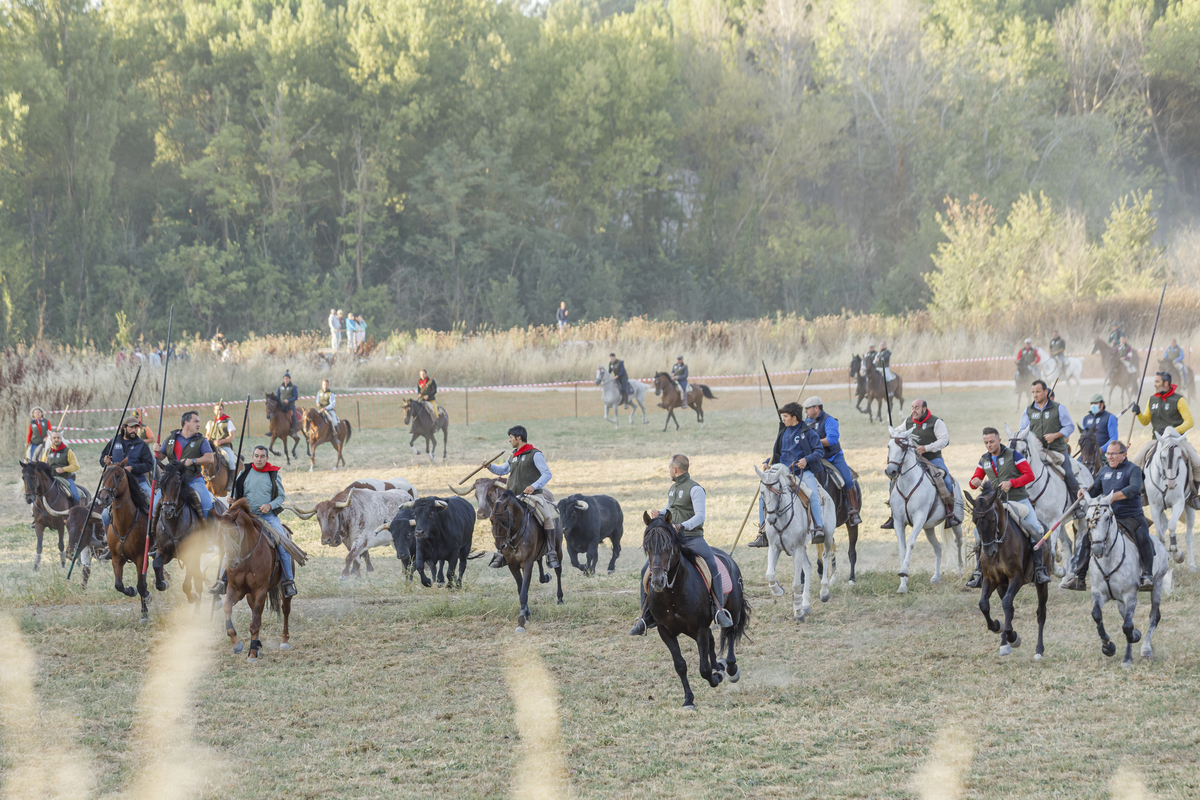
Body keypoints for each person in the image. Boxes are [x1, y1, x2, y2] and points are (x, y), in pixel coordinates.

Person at [630, 454, 732, 635]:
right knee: (645, 570)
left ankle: (719, 610)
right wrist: (659, 514)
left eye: (669, 468)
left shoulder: (696, 489)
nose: (669, 471)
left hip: (692, 538)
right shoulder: (673, 488)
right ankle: (645, 616)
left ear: (675, 469)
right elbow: (670, 509)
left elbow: (700, 515)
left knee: (712, 564)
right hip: (673, 540)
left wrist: (682, 526)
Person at [1063, 441, 1155, 591]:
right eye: (1108, 454)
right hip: (1107, 517)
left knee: (1144, 537)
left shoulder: (1134, 470)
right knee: (1087, 538)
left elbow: (1134, 488)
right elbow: (1095, 490)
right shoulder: (1104, 471)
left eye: (1113, 454)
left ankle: (1147, 575)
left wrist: (1113, 497)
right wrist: (1085, 491)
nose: (1109, 457)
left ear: (1123, 455)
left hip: (1131, 516)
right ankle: (1079, 578)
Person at [966, 427, 1049, 587]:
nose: (989, 445)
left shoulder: (1014, 455)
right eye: (986, 442)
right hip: (996, 503)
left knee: (1035, 529)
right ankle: (979, 571)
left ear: (999, 440)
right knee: (978, 533)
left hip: (1019, 500)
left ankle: (1039, 568)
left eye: (991, 441)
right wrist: (974, 482)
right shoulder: (984, 459)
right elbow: (975, 479)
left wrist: (1012, 483)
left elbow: (1029, 475)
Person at [212, 445, 297, 598]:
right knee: (229, 541)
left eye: (262, 456)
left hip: (268, 516)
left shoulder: (273, 474)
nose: (259, 459)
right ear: (252, 457)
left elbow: (281, 497)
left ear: (267, 458)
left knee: (282, 543)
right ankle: (222, 580)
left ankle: (288, 581)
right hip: (245, 517)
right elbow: (237, 495)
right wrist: (232, 500)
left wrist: (270, 505)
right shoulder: (243, 473)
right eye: (256, 456)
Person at [751, 402, 828, 547]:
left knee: (812, 495)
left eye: (785, 416)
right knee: (764, 496)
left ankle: (818, 528)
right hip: (783, 473)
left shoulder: (808, 433)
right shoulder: (783, 432)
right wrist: (768, 462)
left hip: (802, 472)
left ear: (794, 417)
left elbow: (819, 451)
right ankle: (763, 533)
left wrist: (806, 459)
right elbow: (778, 454)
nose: (783, 419)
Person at [484, 426, 561, 570]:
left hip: (533, 496)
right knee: (498, 517)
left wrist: (533, 486)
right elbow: (503, 470)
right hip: (514, 497)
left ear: (519, 438)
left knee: (548, 518)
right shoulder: (513, 456)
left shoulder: (535, 454)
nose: (509, 440)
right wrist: (490, 466)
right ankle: (501, 552)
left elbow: (547, 474)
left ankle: (551, 552)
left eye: (511, 437)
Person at [884, 399, 959, 528]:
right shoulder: (908, 421)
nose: (913, 410)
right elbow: (898, 432)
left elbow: (944, 440)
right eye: (912, 407)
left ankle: (950, 514)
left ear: (924, 409)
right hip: (913, 459)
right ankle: (893, 514)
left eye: (917, 408)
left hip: (932, 458)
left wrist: (927, 448)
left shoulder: (936, 422)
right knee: (893, 480)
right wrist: (893, 434)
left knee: (946, 480)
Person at [1131, 371, 1200, 509]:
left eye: (1157, 382)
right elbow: (1145, 421)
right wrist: (1138, 413)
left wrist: (1173, 432)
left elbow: (1189, 422)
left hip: (1177, 440)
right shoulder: (1152, 400)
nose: (1154, 384)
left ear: (1166, 383)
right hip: (1156, 440)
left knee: (1197, 463)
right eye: (1155, 381)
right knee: (1136, 462)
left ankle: (1194, 495)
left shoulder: (1179, 400)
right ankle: (1143, 493)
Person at [1019, 379, 1083, 513]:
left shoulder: (1059, 408)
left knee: (1069, 474)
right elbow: (1023, 431)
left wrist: (1056, 435)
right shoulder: (1028, 411)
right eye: (1033, 392)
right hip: (1036, 451)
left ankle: (1077, 507)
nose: (1035, 395)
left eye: (1038, 392)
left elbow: (1069, 426)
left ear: (1046, 392)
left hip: (1057, 450)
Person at [805, 396, 861, 525]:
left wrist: (815, 442)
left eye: (808, 409)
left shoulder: (829, 421)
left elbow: (831, 440)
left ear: (816, 408)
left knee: (847, 480)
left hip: (833, 457)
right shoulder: (806, 422)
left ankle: (853, 510)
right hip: (814, 458)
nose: (806, 412)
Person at [155, 411, 215, 519]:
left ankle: (209, 534)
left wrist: (193, 461)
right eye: (196, 421)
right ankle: (152, 533)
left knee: (207, 506)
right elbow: (160, 456)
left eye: (199, 422)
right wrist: (156, 450)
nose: (199, 424)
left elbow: (210, 458)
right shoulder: (171, 438)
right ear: (186, 423)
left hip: (193, 479)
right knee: (154, 505)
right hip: (171, 481)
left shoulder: (201, 441)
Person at [99, 417, 155, 531]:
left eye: (136, 428)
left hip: (138, 481)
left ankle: (155, 536)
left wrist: (133, 468)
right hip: (117, 484)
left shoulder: (141, 444)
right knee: (105, 515)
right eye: (131, 427)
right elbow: (102, 459)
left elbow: (149, 464)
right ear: (123, 428)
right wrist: (105, 461)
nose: (134, 430)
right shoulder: (114, 442)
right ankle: (107, 540)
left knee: (154, 505)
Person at [40, 430, 81, 503]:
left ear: (61, 439)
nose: (56, 439)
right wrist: (44, 464)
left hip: (65, 478)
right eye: (54, 438)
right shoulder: (47, 452)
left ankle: (76, 512)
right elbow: (41, 466)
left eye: (58, 438)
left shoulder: (68, 451)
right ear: (51, 439)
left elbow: (76, 466)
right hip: (51, 478)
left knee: (75, 495)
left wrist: (63, 469)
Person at [203, 401, 237, 472]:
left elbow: (232, 437)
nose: (219, 411)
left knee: (231, 461)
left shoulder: (228, 422)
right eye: (217, 410)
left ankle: (231, 481)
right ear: (214, 411)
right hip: (211, 447)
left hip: (224, 447)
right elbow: (207, 435)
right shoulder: (210, 422)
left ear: (223, 410)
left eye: (220, 409)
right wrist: (208, 438)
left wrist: (221, 441)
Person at [317, 378, 342, 447]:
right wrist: (318, 403)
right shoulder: (319, 392)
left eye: (326, 385)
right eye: (324, 384)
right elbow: (317, 400)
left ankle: (335, 436)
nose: (325, 386)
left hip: (329, 410)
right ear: (322, 385)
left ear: (328, 385)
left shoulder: (331, 394)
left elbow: (332, 404)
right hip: (321, 410)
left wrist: (325, 408)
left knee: (333, 421)